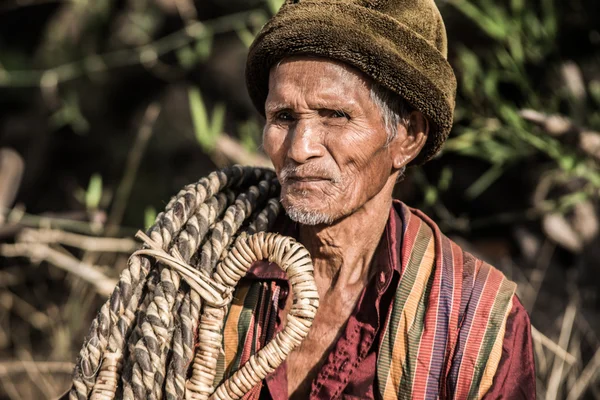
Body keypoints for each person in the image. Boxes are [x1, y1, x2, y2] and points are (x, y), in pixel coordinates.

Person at [216, 0, 536, 399]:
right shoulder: (210, 268)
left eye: (334, 115)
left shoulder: (478, 324)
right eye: (283, 117)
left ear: (408, 137)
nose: (300, 149)